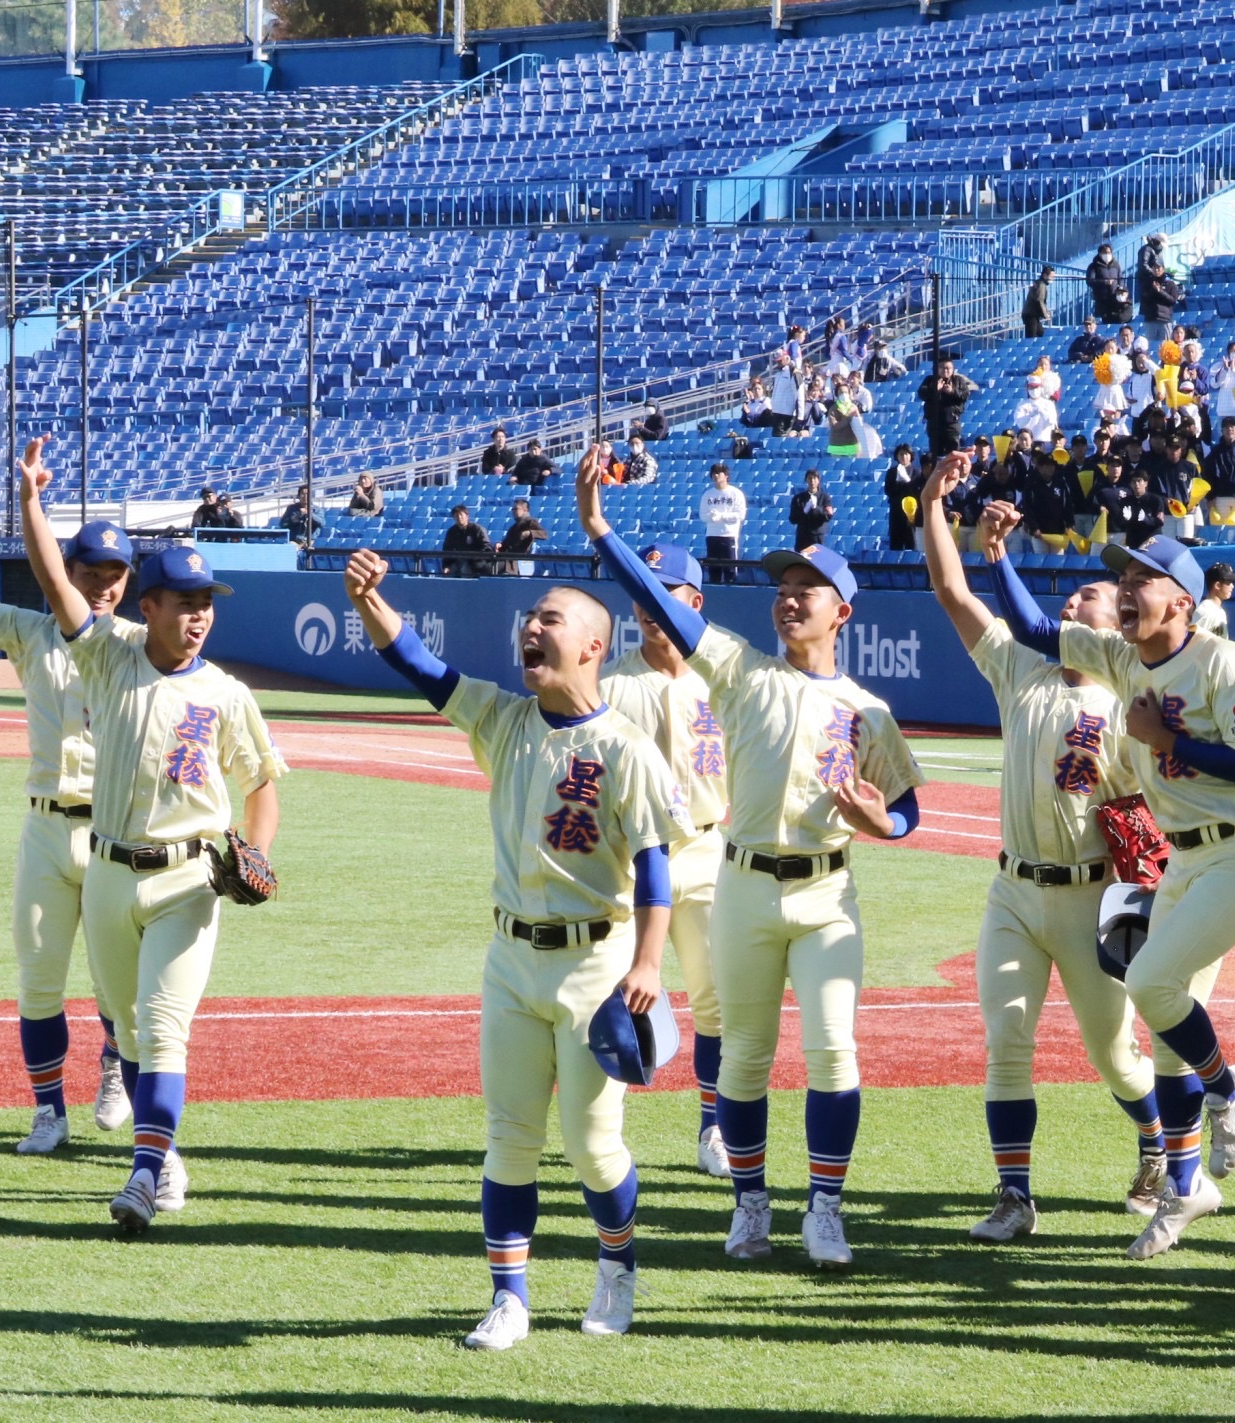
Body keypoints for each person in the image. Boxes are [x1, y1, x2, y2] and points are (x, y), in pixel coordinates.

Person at [582, 445, 925, 1271]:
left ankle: (827, 1209)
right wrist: (599, 528)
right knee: (743, 1055)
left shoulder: (865, 709)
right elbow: (662, 608)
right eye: (780, 589)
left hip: (826, 897)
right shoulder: (739, 672)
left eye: (805, 590)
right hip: (741, 885)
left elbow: (908, 808)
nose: (787, 600)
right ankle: (750, 1206)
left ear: (842, 610)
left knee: (835, 1050)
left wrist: (885, 825)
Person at [343, 546, 674, 1349]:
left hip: (597, 964)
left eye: (550, 619)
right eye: (530, 619)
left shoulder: (626, 750)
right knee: (509, 1135)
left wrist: (649, 964)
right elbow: (422, 667)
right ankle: (509, 1298)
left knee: (594, 1147)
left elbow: (657, 870)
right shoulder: (504, 718)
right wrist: (367, 603)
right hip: (511, 962)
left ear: (593, 646)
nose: (532, 628)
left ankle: (618, 1265)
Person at [985, 487, 1235, 1259]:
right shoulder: (1120, 657)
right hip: (1183, 860)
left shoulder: (1222, 661)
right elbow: (1031, 628)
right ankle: (1184, 1190)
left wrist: (1165, 741)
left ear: (1181, 599)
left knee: (1152, 987)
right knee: (1163, 1022)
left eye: (1141, 578)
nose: (1123, 589)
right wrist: (998, 557)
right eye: (1119, 577)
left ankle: (1227, 1087)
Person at [15, 438, 286, 1234]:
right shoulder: (106, 659)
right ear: (149, 608)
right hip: (105, 873)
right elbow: (52, 583)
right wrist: (31, 499)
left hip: (188, 880)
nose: (199, 614)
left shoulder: (229, 693)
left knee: (163, 1024)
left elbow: (262, 780)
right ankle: (162, 1152)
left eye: (207, 602)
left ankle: (140, 1173)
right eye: (184, 601)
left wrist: (258, 848)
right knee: (130, 1029)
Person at [912, 454, 1170, 1238]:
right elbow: (952, 592)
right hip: (1015, 895)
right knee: (1007, 1038)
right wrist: (934, 507)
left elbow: (1158, 814)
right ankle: (1015, 1196)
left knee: (1115, 1056)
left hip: (1095, 898)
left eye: (1090, 594)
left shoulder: (1133, 700)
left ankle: (1156, 1142)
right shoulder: (1020, 669)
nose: (1077, 599)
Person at [0, 515, 134, 1156]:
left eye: (114, 576)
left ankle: (112, 1063)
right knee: (39, 977)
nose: (101, 586)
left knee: (116, 987)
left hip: (114, 834)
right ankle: (49, 1112)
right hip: (47, 829)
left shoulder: (140, 643)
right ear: (64, 574)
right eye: (89, 574)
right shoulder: (30, 631)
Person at [596, 541, 733, 1178]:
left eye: (667, 592)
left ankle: (715, 1128)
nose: (652, 605)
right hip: (631, 859)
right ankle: (603, 1131)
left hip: (707, 848)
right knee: (612, 995)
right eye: (645, 591)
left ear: (694, 603)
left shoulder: (724, 677)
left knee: (717, 1001)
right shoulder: (613, 684)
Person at [697, 461, 748, 566]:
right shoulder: (708, 494)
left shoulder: (736, 493)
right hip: (712, 535)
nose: (716, 476)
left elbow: (740, 515)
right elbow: (703, 515)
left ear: (726, 476)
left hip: (729, 535)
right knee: (714, 569)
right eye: (713, 473)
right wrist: (711, 517)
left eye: (719, 473)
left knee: (730, 568)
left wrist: (722, 516)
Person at [442, 504, 493, 579]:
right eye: (456, 516)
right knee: (449, 572)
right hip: (458, 561)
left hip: (476, 562)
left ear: (467, 516)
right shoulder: (451, 532)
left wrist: (473, 558)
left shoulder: (477, 529)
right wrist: (446, 566)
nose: (459, 518)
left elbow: (486, 548)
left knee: (465, 569)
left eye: (461, 515)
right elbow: (447, 550)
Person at [499, 500, 546, 579]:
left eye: (516, 509)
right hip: (508, 556)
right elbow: (506, 543)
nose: (513, 511)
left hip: (518, 558)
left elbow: (544, 534)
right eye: (512, 509)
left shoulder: (530, 522)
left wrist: (529, 533)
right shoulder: (514, 527)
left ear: (525, 510)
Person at [790, 470, 835, 553]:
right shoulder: (798, 498)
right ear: (806, 480)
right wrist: (804, 511)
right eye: (809, 478)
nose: (812, 481)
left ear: (818, 480)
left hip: (817, 536)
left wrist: (816, 508)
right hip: (802, 536)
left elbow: (828, 516)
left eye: (814, 478)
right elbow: (792, 519)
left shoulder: (825, 497)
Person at [1194, 563, 1235, 638]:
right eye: (1228, 582)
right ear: (1217, 585)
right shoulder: (1205, 611)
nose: (1232, 586)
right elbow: (1191, 642)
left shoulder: (1220, 611)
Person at [1022, 265, 1054, 339]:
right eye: (1051, 276)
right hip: (1031, 314)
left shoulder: (1039, 283)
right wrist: (1045, 314)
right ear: (1045, 276)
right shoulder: (1041, 285)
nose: (1053, 279)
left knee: (1041, 334)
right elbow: (1040, 300)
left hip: (1032, 314)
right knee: (1031, 337)